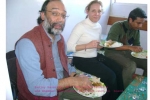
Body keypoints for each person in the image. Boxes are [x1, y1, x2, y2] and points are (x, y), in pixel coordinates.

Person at [15, 0, 96, 100]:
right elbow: (36, 87)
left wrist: (76, 76)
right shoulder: (27, 43)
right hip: (40, 95)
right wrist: (72, 81)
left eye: (63, 15)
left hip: (62, 85)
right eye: (54, 13)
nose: (60, 19)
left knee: (95, 95)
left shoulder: (60, 38)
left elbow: (66, 64)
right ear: (43, 15)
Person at [67, 0, 124, 100]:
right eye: (93, 10)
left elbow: (96, 45)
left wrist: (101, 45)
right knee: (110, 76)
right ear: (87, 11)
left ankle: (120, 96)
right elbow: (68, 47)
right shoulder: (80, 26)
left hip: (94, 56)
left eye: (99, 11)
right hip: (81, 59)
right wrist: (87, 45)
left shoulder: (98, 26)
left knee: (118, 69)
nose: (97, 14)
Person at [104, 7, 147, 88]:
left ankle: (143, 86)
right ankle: (125, 91)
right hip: (111, 52)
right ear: (130, 20)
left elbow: (136, 44)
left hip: (126, 52)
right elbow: (110, 45)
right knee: (131, 65)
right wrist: (129, 47)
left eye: (142, 23)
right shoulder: (117, 26)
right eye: (138, 23)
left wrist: (140, 50)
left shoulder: (136, 30)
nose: (140, 26)